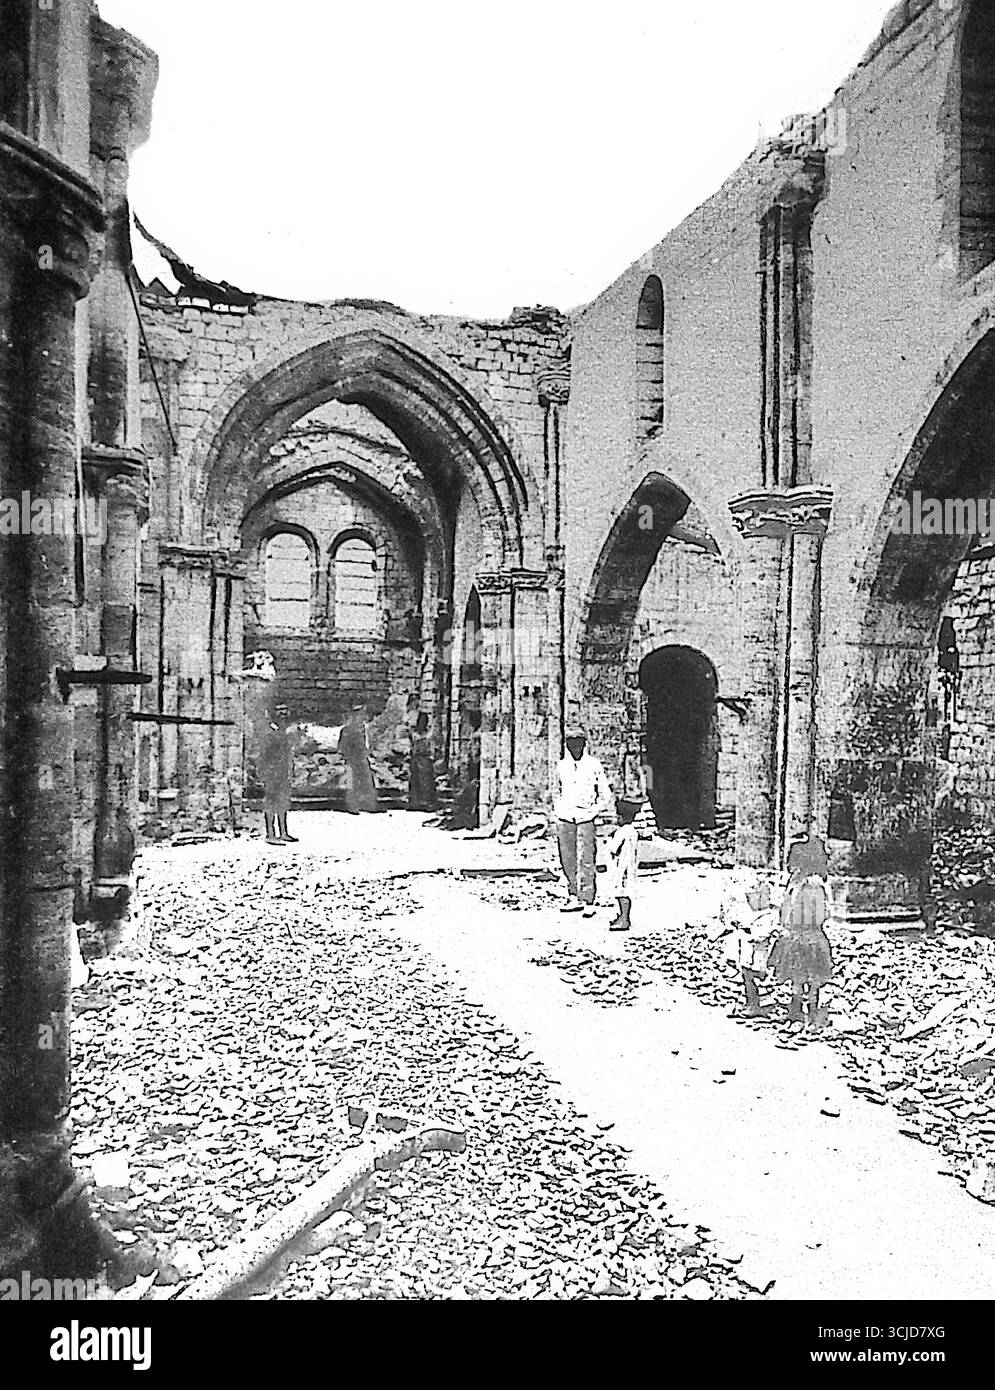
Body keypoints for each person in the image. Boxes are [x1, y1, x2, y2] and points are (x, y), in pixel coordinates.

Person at [768, 834, 834, 1028]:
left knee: (812, 978)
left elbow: (821, 914)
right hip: (795, 935)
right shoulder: (795, 882)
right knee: (796, 976)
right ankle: (795, 1011)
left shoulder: (813, 885)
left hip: (809, 936)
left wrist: (799, 921)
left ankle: (813, 1015)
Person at [554, 725, 613, 918]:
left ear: (584, 744)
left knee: (586, 859)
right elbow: (556, 790)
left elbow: (605, 794)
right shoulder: (561, 765)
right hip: (565, 817)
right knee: (567, 858)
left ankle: (588, 899)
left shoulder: (593, 765)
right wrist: (559, 809)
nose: (575, 748)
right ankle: (573, 896)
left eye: (578, 744)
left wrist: (593, 810)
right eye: (571, 744)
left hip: (586, 817)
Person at [721, 873, 779, 1017]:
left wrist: (749, 932)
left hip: (759, 954)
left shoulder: (769, 916)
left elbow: (761, 934)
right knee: (747, 977)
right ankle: (752, 1003)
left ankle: (758, 1005)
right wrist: (740, 926)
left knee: (757, 978)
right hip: (748, 954)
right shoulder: (753, 914)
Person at [257, 712, 299, 845]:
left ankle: (283, 832)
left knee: (283, 803)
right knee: (271, 803)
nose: (284, 721)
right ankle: (270, 833)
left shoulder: (284, 736)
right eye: (281, 718)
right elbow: (263, 757)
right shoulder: (270, 736)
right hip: (272, 775)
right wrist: (265, 774)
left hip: (282, 774)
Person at [606, 798, 641, 931]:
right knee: (625, 892)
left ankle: (624, 918)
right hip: (629, 866)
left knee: (621, 892)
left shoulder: (621, 832)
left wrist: (609, 840)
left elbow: (613, 848)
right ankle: (623, 916)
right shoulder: (633, 831)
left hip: (622, 867)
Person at [339, 703, 379, 814]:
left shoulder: (364, 729)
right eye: (359, 715)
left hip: (362, 760)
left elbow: (367, 745)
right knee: (351, 783)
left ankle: (368, 804)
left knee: (367, 781)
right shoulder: (347, 730)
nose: (362, 718)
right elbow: (342, 747)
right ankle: (353, 806)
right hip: (352, 760)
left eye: (363, 715)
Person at [407, 711, 438, 812]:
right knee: (415, 780)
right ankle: (415, 802)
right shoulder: (414, 733)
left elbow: (431, 743)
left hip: (425, 760)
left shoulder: (428, 734)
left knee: (426, 781)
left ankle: (427, 802)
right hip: (416, 759)